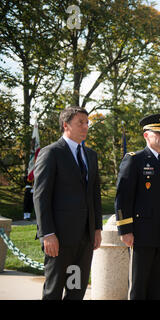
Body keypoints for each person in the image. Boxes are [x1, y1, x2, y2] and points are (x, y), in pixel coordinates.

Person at [33, 107, 102, 300]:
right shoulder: (51, 153)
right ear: (66, 125)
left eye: (87, 122)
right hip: (59, 239)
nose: (86, 126)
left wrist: (96, 228)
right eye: (80, 122)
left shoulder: (91, 156)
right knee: (53, 292)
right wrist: (47, 234)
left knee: (76, 290)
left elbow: (94, 195)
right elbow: (41, 196)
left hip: (85, 239)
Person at [115, 113, 160, 300]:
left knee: (157, 283)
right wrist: (125, 229)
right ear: (146, 135)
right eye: (157, 133)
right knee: (140, 285)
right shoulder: (135, 160)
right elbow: (123, 197)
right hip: (142, 232)